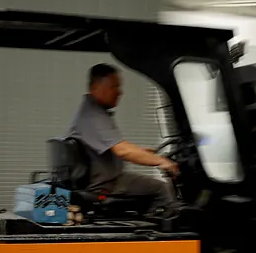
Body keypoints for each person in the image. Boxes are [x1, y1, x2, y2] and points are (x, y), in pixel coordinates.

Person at [67, 63, 176, 213]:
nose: (120, 92)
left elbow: (114, 147)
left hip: (104, 179)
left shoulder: (92, 111)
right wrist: (161, 161)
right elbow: (123, 150)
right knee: (161, 189)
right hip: (106, 185)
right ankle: (165, 225)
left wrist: (142, 153)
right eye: (114, 87)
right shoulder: (93, 117)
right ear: (96, 87)